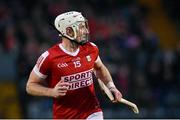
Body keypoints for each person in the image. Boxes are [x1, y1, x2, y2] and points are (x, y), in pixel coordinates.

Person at [26, 11, 122, 119]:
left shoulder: (91, 48)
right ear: (68, 31)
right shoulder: (49, 57)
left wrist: (111, 87)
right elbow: (30, 86)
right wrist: (51, 92)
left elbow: (99, 68)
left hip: (92, 112)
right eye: (81, 27)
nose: (86, 31)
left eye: (85, 26)